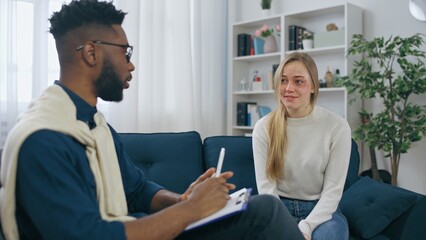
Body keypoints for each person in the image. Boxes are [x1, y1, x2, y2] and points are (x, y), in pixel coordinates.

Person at [0, 1, 305, 239]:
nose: (131, 65)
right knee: (265, 213)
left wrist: (182, 199)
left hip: (136, 228)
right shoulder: (44, 140)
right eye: (125, 52)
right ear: (91, 54)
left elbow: (137, 190)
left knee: (262, 208)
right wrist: (190, 209)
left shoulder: (95, 126)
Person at [252, 52, 351, 240]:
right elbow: (267, 190)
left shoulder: (337, 127)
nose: (288, 88)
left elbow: (332, 192)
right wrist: (285, 226)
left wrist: (306, 227)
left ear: (313, 86)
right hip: (277, 209)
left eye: (298, 81)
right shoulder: (263, 127)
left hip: (322, 212)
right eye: (283, 80)